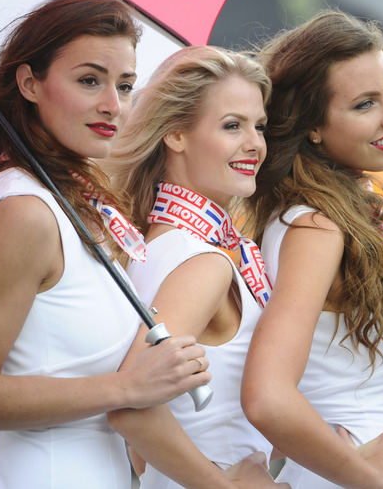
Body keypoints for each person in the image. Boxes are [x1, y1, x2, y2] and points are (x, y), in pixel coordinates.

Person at [0, 0, 235, 489]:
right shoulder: (23, 212)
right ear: (30, 83)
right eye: (89, 80)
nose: (112, 105)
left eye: (125, 84)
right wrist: (128, 387)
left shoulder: (81, 198)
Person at [240, 9, 383, 489]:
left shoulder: (326, 216)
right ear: (312, 125)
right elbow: (267, 396)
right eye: (364, 105)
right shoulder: (316, 227)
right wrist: (372, 479)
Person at [102, 45, 287, 488]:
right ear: (176, 135)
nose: (254, 144)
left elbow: (143, 450)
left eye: (258, 126)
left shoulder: (142, 246)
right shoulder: (204, 262)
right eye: (231, 126)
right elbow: (131, 409)